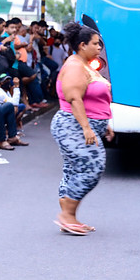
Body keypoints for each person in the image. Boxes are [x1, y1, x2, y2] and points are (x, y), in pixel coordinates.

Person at [50, 21, 113, 236]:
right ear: (82, 45)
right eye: (96, 44)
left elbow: (94, 100)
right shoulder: (75, 65)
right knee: (93, 165)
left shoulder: (85, 64)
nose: (99, 48)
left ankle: (69, 218)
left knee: (73, 169)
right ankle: (66, 215)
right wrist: (87, 128)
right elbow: (74, 98)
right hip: (72, 125)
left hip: (83, 124)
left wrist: (106, 124)